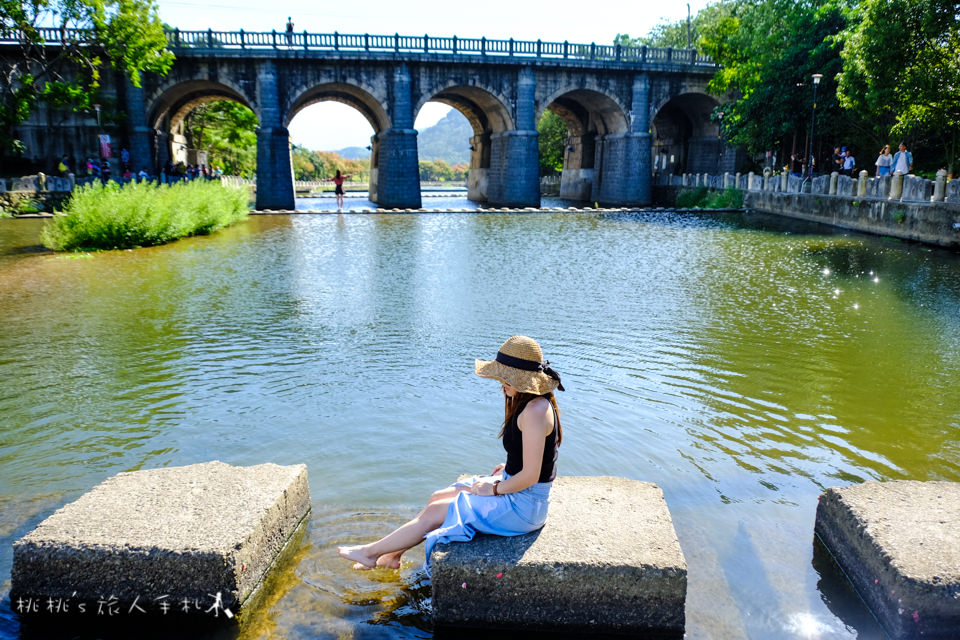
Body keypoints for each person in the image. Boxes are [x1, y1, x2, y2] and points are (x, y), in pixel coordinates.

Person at [338, 335, 564, 571]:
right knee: (439, 497)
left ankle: (369, 553)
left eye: (506, 377)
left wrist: (494, 489)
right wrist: (508, 468)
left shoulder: (535, 410)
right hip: (516, 489)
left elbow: (530, 476)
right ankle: (393, 555)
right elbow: (533, 458)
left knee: (438, 511)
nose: (501, 383)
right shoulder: (528, 403)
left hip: (524, 507)